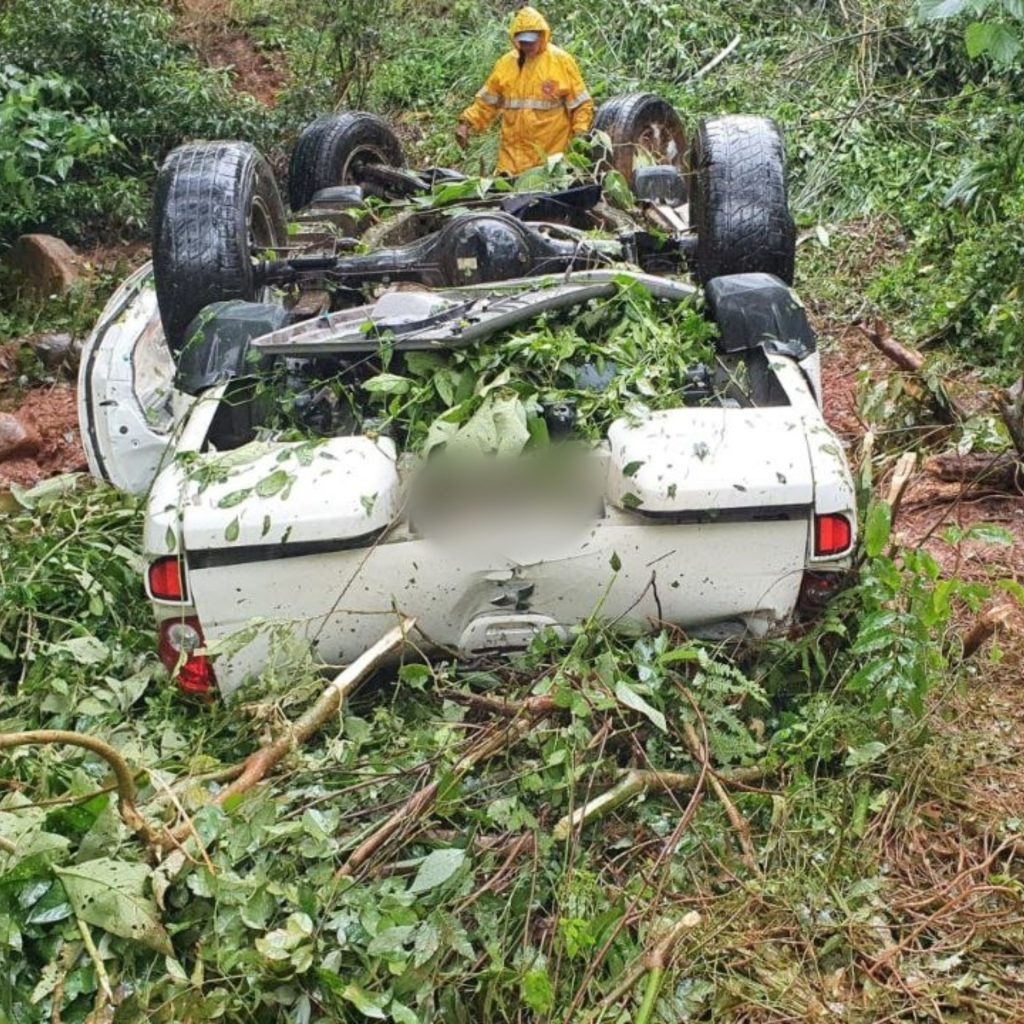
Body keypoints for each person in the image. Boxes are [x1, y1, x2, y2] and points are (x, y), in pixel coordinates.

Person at [456, 6, 594, 177]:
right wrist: (466, 123)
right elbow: (487, 100)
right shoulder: (506, 64)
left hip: (548, 157)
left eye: (531, 41)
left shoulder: (560, 61)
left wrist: (580, 133)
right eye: (523, 42)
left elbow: (581, 103)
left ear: (542, 37)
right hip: (511, 157)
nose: (527, 46)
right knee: (506, 198)